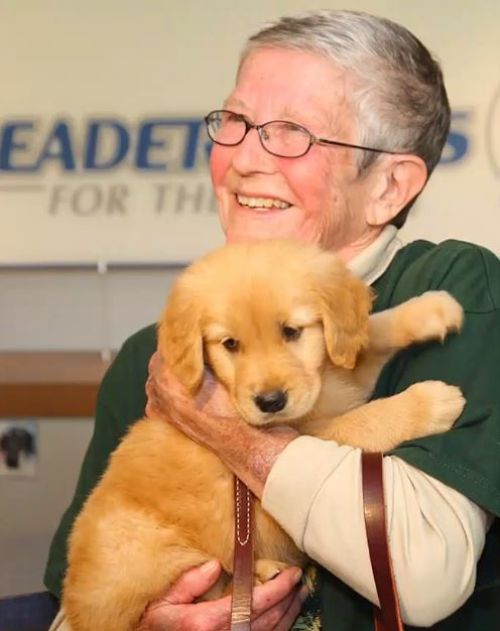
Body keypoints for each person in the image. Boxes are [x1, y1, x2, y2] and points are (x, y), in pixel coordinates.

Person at [45, 9, 500, 631]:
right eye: (235, 122)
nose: (243, 159)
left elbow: (424, 577)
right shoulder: (153, 356)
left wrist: (232, 433)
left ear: (389, 187)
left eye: (292, 132)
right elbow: (78, 598)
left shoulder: (454, 285)